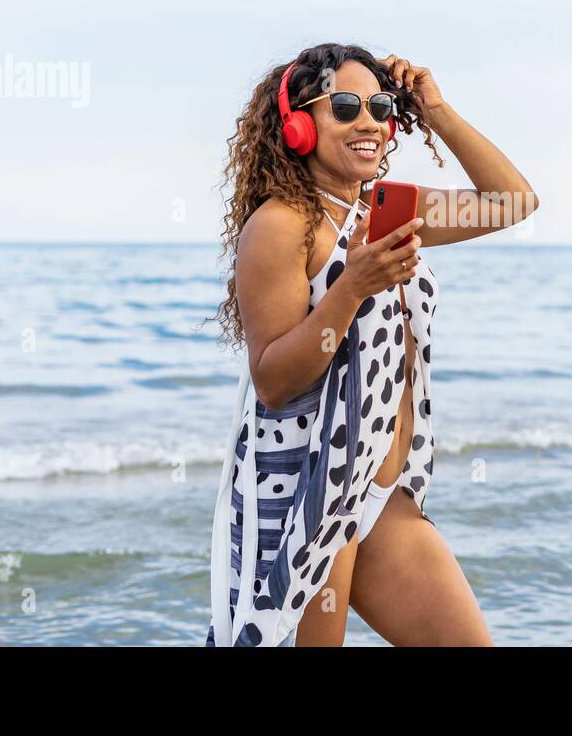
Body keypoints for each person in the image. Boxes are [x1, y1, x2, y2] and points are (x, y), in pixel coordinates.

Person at [206, 43, 538, 646]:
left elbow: (513, 202)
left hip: (384, 499)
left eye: (381, 107)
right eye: (345, 106)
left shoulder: (384, 211)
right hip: (313, 494)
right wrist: (352, 286)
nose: (369, 122)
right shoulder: (281, 225)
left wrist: (434, 109)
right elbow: (274, 379)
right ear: (300, 125)